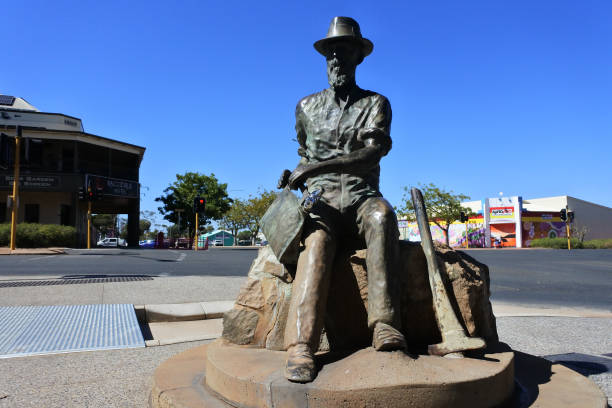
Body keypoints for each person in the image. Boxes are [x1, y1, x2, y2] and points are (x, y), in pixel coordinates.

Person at [280, 17, 406, 383]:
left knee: (382, 218)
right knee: (316, 243)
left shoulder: (375, 103)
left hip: (361, 197)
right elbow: (305, 156)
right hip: (321, 203)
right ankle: (301, 346)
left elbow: (370, 155)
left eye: (345, 52)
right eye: (332, 53)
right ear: (324, 58)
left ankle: (384, 324)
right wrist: (295, 174)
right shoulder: (305, 107)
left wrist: (316, 165)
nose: (337, 59)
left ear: (358, 58)